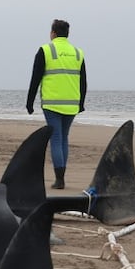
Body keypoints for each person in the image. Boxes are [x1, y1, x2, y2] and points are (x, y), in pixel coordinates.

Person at [26, 19, 87, 189]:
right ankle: (61, 176)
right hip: (71, 104)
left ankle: (59, 180)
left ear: (53, 33)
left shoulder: (46, 50)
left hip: (52, 103)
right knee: (63, 138)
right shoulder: (77, 53)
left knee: (56, 138)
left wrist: (29, 102)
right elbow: (83, 81)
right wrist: (81, 103)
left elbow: (35, 78)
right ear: (67, 34)